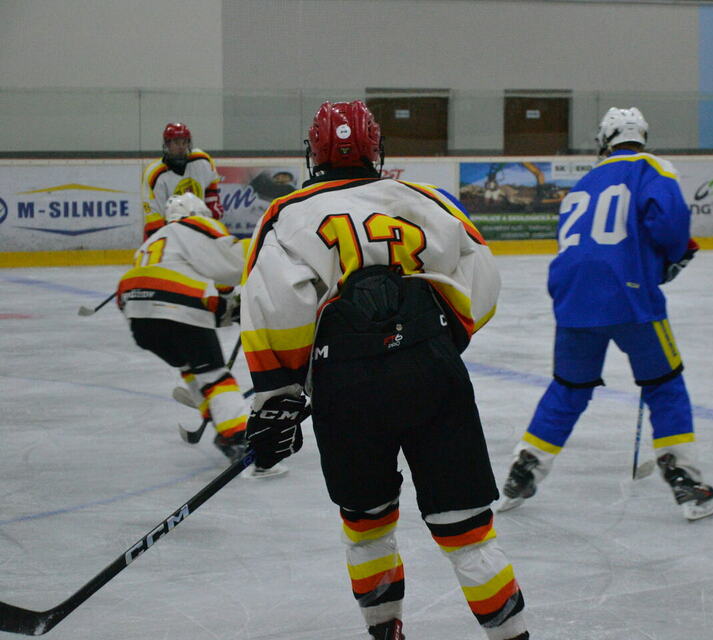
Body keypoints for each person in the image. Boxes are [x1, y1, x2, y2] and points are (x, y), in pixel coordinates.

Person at [240, 101, 530, 640]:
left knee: (367, 526)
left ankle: (385, 633)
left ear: (313, 153)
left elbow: (277, 305)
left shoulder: (287, 215)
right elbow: (482, 276)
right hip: (432, 371)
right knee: (466, 529)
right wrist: (436, 340)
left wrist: (276, 396)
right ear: (376, 150)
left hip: (347, 387)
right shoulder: (424, 198)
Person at [498, 107, 713, 522]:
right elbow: (670, 223)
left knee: (569, 387)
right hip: (631, 297)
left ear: (605, 140)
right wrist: (670, 257)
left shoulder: (583, 182)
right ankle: (685, 480)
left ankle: (524, 469)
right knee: (664, 383)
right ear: (642, 136)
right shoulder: (653, 167)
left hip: (573, 298)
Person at [116, 193, 275, 474]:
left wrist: (229, 307)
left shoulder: (154, 240)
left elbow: (206, 281)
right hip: (174, 307)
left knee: (193, 368)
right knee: (215, 375)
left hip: (138, 316)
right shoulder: (195, 225)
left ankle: (219, 419)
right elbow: (229, 262)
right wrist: (266, 253)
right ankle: (238, 438)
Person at [141, 123, 224, 241]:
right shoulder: (155, 174)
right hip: (170, 233)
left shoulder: (202, 161)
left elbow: (211, 187)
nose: (181, 147)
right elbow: (154, 219)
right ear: (167, 144)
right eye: (176, 142)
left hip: (198, 229)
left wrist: (212, 212)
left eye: (184, 142)